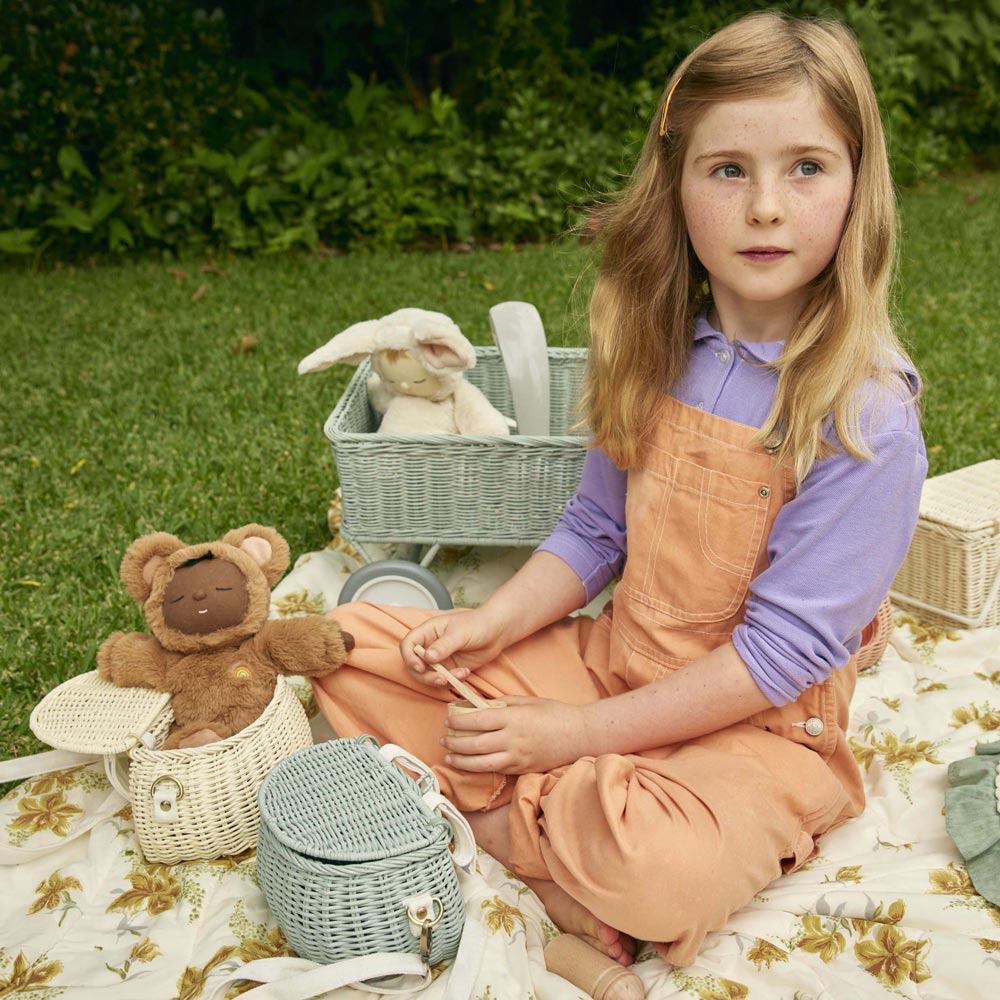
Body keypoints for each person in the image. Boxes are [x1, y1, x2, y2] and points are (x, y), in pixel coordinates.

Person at [312, 11, 927, 970]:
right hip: (615, 664)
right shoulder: (657, 347)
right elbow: (596, 530)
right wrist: (497, 625)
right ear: (676, 187)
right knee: (354, 650)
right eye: (728, 169)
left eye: (807, 167)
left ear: (858, 188)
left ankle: (538, 842)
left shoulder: (866, 417)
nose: (767, 206)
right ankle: (561, 854)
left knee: (663, 867)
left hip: (758, 733)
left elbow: (776, 659)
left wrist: (563, 735)